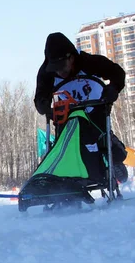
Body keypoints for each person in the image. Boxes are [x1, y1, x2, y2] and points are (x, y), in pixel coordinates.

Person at [34, 32, 128, 184]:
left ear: (71, 58)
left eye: (62, 67)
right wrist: (44, 105)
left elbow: (117, 73)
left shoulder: (89, 62)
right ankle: (65, 180)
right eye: (55, 69)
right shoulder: (46, 73)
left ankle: (115, 157)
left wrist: (114, 88)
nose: (59, 72)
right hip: (66, 115)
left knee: (99, 135)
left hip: (94, 111)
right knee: (64, 143)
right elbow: (40, 97)